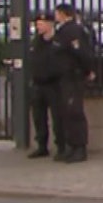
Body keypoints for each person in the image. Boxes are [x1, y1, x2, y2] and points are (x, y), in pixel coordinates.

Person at [49, 2, 95, 163]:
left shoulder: (73, 30)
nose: (55, 16)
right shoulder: (63, 31)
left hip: (73, 77)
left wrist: (88, 70)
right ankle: (71, 146)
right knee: (67, 113)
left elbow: (81, 53)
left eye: (57, 13)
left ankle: (79, 148)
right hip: (65, 77)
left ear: (63, 14)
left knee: (74, 112)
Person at [26, 12, 63, 159]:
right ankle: (42, 146)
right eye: (37, 24)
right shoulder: (36, 41)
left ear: (50, 24)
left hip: (54, 84)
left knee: (58, 117)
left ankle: (61, 146)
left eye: (41, 24)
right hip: (38, 84)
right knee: (39, 117)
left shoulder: (58, 41)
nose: (38, 27)